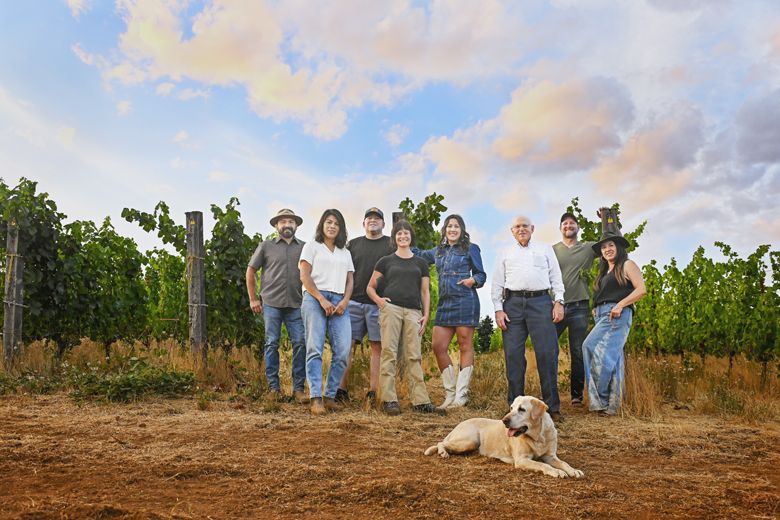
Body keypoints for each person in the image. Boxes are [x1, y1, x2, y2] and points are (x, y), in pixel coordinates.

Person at [491, 215, 566, 422]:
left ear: (532, 228)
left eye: (525, 226)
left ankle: (553, 408)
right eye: (517, 226)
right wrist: (498, 309)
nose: (521, 229)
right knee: (513, 355)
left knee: (547, 353)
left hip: (541, 302)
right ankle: (514, 408)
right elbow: (497, 282)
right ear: (512, 231)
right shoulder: (505, 252)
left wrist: (558, 302)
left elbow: (556, 278)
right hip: (512, 305)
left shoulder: (545, 249)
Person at [367, 220, 445, 416]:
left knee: (413, 356)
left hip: (413, 312)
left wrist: (426, 315)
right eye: (399, 234)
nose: (403, 236)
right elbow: (370, 287)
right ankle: (389, 400)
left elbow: (425, 291)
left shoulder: (420, 263)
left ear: (411, 237)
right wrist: (380, 301)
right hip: (390, 309)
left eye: (406, 234)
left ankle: (420, 401)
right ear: (395, 238)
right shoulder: (385, 261)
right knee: (389, 353)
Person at [414, 214, 486, 408]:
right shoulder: (437, 251)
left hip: (465, 300)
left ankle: (461, 396)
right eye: (449, 226)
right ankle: (450, 393)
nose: (453, 229)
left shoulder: (471, 249)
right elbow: (418, 254)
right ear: (445, 229)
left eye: (456, 226)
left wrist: (473, 280)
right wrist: (401, 234)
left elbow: (481, 274)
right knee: (438, 346)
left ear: (461, 230)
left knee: (465, 345)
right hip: (445, 304)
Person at [582, 210, 646, 416]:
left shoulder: (627, 265)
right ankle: (612, 405)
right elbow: (602, 294)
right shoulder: (604, 272)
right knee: (614, 358)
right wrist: (595, 307)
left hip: (617, 314)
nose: (607, 249)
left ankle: (599, 400)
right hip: (603, 314)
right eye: (603, 247)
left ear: (618, 247)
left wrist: (620, 304)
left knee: (592, 349)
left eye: (611, 245)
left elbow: (641, 289)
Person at [246, 209, 307, 404]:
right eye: (283, 222)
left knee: (300, 343)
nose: (287, 224)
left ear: (296, 225)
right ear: (276, 226)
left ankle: (298, 390)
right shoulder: (266, 246)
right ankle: (274, 388)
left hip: (297, 304)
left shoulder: (305, 248)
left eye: (290, 221)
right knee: (271, 343)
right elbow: (250, 271)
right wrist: (253, 299)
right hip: (271, 303)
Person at [336, 207, 395, 405]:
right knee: (346, 346)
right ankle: (340, 389)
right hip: (353, 301)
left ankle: (373, 391)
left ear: (383, 224)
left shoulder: (390, 244)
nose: (373, 221)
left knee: (377, 347)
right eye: (369, 218)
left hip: (378, 303)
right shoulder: (353, 244)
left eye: (377, 219)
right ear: (363, 223)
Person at [299, 209, 355, 415]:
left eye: (336, 223)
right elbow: (304, 276)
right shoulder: (311, 247)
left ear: (340, 228)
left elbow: (350, 281)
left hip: (340, 300)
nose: (332, 226)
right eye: (328, 222)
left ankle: (330, 396)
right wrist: (321, 299)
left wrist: (345, 301)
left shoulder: (345, 253)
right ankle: (316, 398)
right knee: (315, 348)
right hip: (315, 298)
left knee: (342, 351)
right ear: (322, 225)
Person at [553, 212, 598, 407]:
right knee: (548, 349)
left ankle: (576, 395)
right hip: (556, 306)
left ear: (577, 227)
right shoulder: (553, 250)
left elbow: (610, 241)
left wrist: (606, 217)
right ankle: (550, 393)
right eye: (565, 223)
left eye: (572, 223)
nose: (568, 226)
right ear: (560, 228)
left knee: (578, 351)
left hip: (580, 305)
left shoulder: (587, 248)